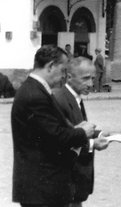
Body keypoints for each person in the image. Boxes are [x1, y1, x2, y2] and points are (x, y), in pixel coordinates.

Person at [11, 45, 97, 206]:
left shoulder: (36, 90)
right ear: (51, 66)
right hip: (42, 187)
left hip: (44, 186)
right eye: (63, 70)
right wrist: (82, 132)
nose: (64, 76)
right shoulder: (34, 95)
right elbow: (56, 136)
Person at [53, 57, 111, 206]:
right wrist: (92, 144)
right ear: (70, 76)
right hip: (66, 179)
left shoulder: (74, 97)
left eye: (92, 78)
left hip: (75, 180)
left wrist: (98, 134)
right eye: (85, 79)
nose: (91, 84)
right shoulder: (59, 99)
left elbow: (75, 128)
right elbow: (61, 139)